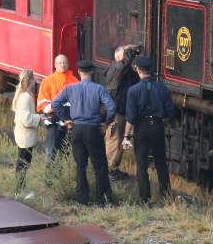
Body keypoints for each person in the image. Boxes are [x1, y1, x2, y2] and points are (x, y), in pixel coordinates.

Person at [48, 60, 116, 206]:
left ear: (79, 72)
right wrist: (106, 123)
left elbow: (55, 104)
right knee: (100, 166)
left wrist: (66, 119)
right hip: (93, 129)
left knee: (81, 165)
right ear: (92, 72)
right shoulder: (99, 89)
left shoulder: (70, 89)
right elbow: (111, 107)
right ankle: (103, 199)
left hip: (76, 129)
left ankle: (82, 199)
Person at [125, 54, 176, 204]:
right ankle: (166, 195)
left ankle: (144, 198)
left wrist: (126, 136)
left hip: (141, 128)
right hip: (158, 127)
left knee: (141, 164)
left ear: (139, 70)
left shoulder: (133, 91)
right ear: (151, 70)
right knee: (161, 162)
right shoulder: (163, 89)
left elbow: (130, 117)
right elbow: (170, 112)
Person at [103, 45, 140, 177]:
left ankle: (113, 168)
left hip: (122, 109)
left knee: (118, 140)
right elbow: (122, 67)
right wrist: (128, 52)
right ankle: (108, 169)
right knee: (114, 139)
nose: (129, 56)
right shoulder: (116, 68)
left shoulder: (125, 70)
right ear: (119, 56)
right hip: (116, 110)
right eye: (126, 54)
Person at [37, 54, 78, 160]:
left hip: (70, 119)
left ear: (68, 64)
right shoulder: (48, 81)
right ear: (55, 65)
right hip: (53, 118)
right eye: (60, 63)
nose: (63, 65)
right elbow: (42, 103)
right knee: (52, 148)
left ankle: (62, 171)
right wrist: (55, 110)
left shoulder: (75, 81)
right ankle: (50, 172)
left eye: (65, 62)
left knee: (66, 149)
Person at [11, 68, 42, 178]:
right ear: (30, 81)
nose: (35, 81)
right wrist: (39, 118)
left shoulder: (22, 95)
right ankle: (19, 191)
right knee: (23, 164)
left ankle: (20, 189)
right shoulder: (26, 97)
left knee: (23, 163)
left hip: (23, 135)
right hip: (25, 136)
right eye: (34, 79)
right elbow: (26, 120)